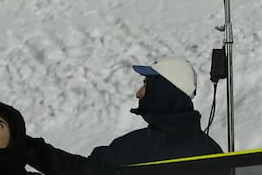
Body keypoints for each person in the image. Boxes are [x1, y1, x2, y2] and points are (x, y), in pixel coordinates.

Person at [84, 58, 224, 167]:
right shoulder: (211, 152)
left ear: (162, 91)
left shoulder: (131, 149)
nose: (138, 93)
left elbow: (84, 174)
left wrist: (61, 161)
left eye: (146, 84)